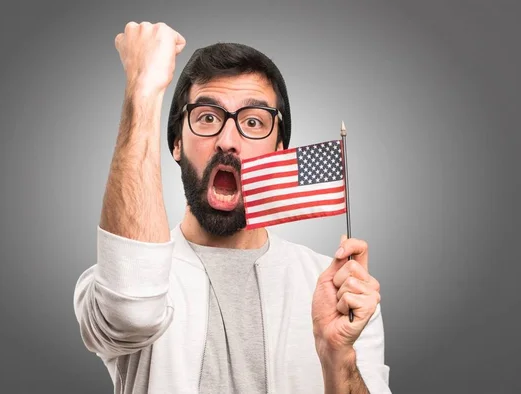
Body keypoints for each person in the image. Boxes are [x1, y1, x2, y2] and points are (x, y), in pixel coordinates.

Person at [73, 21, 391, 394]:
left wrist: (338, 356)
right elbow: (132, 309)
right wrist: (143, 89)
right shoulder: (115, 280)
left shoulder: (338, 288)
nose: (228, 140)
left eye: (253, 122)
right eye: (207, 117)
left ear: (279, 151)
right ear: (176, 143)